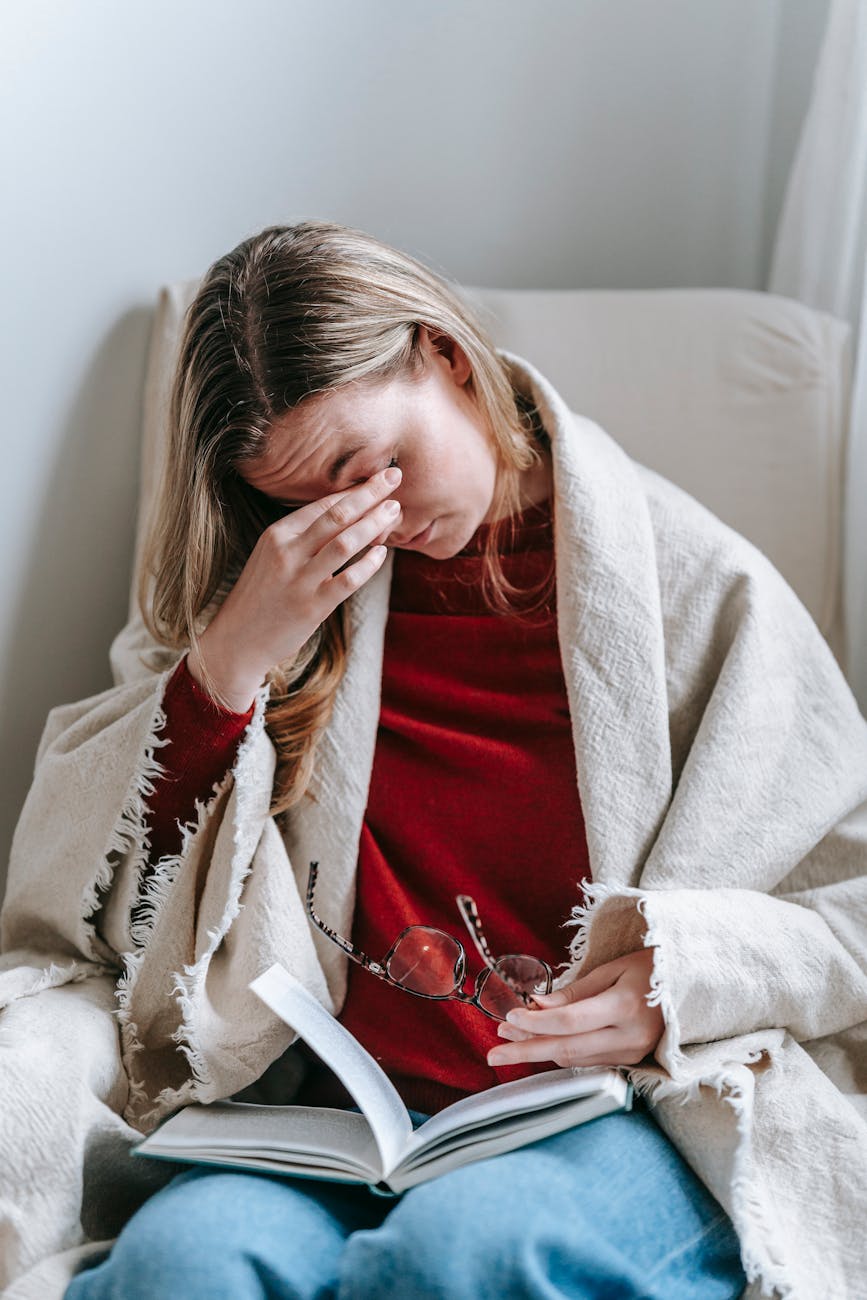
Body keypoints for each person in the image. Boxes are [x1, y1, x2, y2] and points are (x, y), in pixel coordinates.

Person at [1, 221, 865, 1300]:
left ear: (446, 357)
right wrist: (230, 661)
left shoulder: (703, 594)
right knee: (186, 1263)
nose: (377, 521)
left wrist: (676, 982)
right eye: (311, 502)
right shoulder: (280, 591)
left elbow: (850, 909)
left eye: (379, 467)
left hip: (608, 1112)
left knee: (465, 1255)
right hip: (334, 1119)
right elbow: (94, 907)